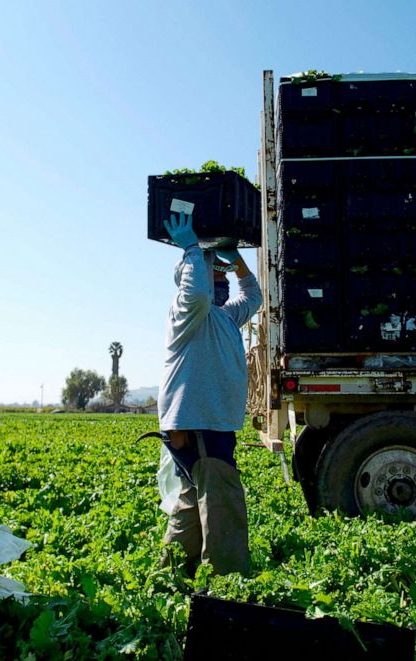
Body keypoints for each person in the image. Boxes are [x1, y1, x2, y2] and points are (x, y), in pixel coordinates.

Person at [157, 212, 262, 577]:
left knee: (192, 499)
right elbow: (198, 290)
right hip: (199, 422)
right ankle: (226, 582)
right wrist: (191, 248)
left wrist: (237, 262)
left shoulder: (224, 317)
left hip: (207, 422)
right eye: (215, 271)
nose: (223, 279)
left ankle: (170, 572)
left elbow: (254, 296)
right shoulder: (187, 312)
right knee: (222, 504)